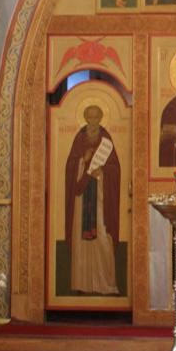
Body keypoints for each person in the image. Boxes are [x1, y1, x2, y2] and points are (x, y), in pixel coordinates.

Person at [64, 105, 120, 295]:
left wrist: (102, 172)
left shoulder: (106, 139)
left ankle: (106, 284)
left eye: (96, 117)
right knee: (82, 240)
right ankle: (81, 284)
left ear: (101, 118)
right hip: (82, 199)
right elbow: (70, 166)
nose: (93, 120)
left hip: (101, 197)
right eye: (90, 117)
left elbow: (115, 167)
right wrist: (82, 159)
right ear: (86, 118)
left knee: (102, 236)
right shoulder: (79, 138)